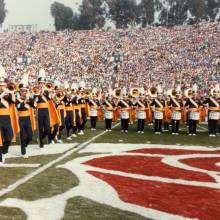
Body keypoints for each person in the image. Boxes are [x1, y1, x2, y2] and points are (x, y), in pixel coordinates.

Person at [0, 66, 19, 164]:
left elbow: (14, 101)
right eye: (0, 85)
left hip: (6, 118)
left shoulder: (7, 95)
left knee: (9, 136)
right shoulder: (2, 95)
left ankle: (4, 151)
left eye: (3, 85)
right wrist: (2, 95)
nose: (2, 87)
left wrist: (11, 92)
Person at [16, 74, 36, 157]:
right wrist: (25, 101)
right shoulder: (17, 99)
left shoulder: (29, 99)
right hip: (21, 119)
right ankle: (23, 152)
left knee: (30, 136)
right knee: (23, 136)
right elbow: (19, 107)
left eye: (25, 91)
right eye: (23, 91)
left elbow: (35, 106)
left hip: (28, 118)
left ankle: (24, 146)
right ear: (20, 91)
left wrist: (32, 98)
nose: (24, 92)